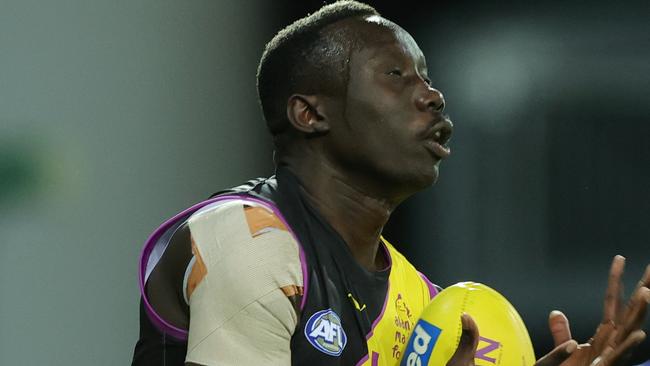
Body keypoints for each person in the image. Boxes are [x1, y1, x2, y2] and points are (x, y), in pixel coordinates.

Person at [131, 1, 650, 365]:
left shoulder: (419, 302)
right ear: (310, 114)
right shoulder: (249, 242)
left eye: (426, 75)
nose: (433, 95)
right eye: (397, 75)